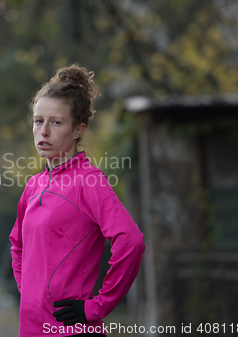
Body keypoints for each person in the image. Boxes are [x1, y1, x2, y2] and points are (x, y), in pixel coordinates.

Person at [9, 63, 145, 337]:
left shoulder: (89, 181)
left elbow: (131, 241)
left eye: (56, 122)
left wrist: (97, 307)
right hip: (32, 329)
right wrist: (32, 294)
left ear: (78, 130)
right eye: (38, 121)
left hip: (73, 331)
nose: (43, 132)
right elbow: (17, 245)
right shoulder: (34, 185)